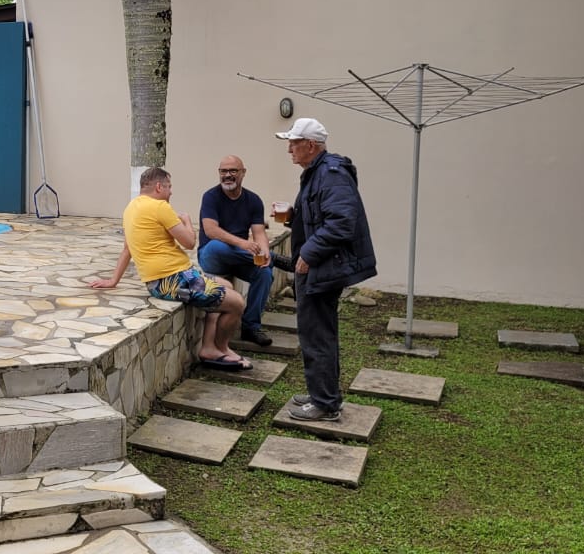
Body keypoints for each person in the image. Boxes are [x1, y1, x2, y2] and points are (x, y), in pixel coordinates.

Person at [91, 167, 251, 370]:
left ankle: (210, 345)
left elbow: (127, 249)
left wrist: (113, 280)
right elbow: (189, 242)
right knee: (237, 303)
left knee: (226, 285)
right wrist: (187, 221)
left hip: (174, 278)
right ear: (159, 187)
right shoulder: (160, 207)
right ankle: (219, 348)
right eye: (169, 186)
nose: (171, 191)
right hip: (173, 281)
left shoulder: (131, 208)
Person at [273, 118, 376, 421]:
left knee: (317, 334)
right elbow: (322, 216)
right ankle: (322, 393)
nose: (289, 149)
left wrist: (309, 253)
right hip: (320, 266)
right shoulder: (318, 172)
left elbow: (342, 222)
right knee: (316, 333)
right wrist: (293, 217)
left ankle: (325, 403)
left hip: (323, 267)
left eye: (293, 143)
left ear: (311, 145)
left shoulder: (331, 174)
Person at [197, 155, 275, 347]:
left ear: (243, 172)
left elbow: (259, 233)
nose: (227, 175)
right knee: (216, 245)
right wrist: (243, 244)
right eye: (223, 171)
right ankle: (277, 258)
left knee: (264, 273)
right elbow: (211, 230)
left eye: (233, 171)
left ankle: (251, 327)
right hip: (212, 256)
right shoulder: (211, 196)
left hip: (238, 259)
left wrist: (264, 251)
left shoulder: (253, 200)